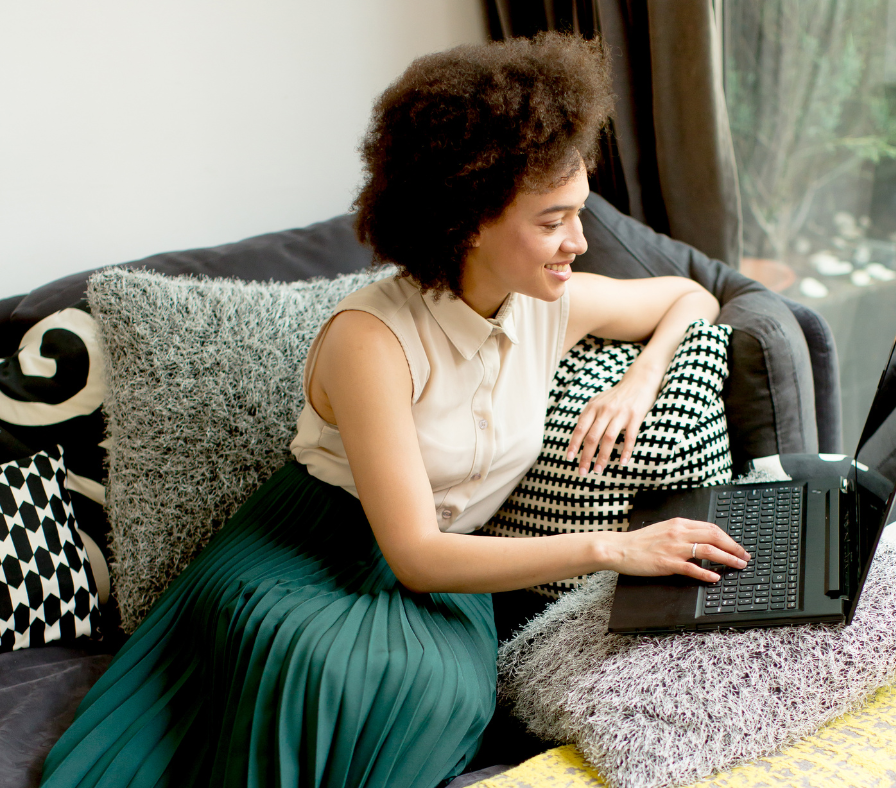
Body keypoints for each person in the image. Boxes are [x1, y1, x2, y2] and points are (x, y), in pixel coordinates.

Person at [41, 32, 750, 788]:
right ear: (470, 218)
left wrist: (639, 381)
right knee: (321, 673)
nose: (579, 241)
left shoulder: (554, 302)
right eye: (553, 221)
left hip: (452, 572)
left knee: (441, 694)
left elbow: (690, 295)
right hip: (314, 551)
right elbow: (415, 552)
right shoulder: (370, 337)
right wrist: (613, 547)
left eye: (579, 212)